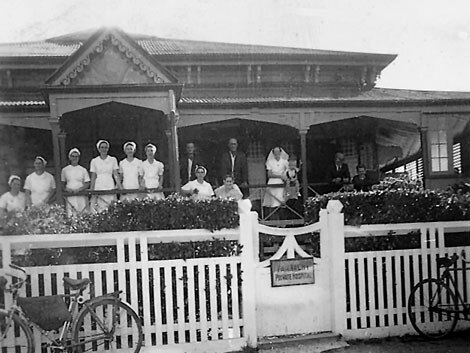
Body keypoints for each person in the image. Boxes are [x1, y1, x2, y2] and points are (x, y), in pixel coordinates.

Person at [90, 140, 121, 213]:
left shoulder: (113, 159)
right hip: (99, 183)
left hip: (109, 182)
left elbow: (115, 174)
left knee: (110, 204)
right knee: (99, 205)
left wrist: (119, 186)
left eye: (106, 147)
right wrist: (92, 188)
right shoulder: (94, 161)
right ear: (99, 149)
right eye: (102, 147)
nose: (104, 149)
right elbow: (93, 175)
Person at [61, 148, 90, 216]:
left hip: (81, 194)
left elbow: (87, 183)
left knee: (82, 212)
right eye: (73, 156)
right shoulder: (65, 170)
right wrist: (66, 189)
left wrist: (80, 189)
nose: (74, 158)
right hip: (70, 194)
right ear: (70, 157)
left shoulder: (83, 169)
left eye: (76, 156)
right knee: (71, 213)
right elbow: (62, 183)